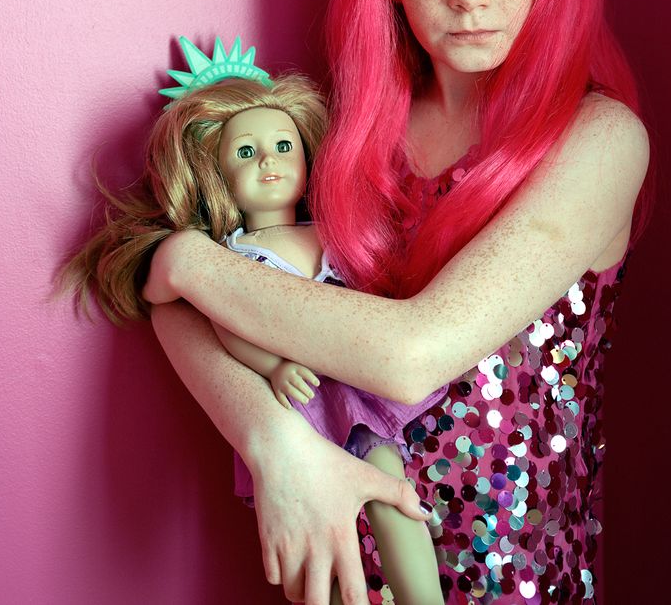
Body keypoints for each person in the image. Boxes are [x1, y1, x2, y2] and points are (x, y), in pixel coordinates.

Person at [145, 0, 651, 604]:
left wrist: (185, 261)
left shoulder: (599, 140)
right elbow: (171, 305)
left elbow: (408, 357)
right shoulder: (346, 135)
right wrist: (271, 437)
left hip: (512, 577)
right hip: (346, 566)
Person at [58, 45, 446, 603]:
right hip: (296, 399)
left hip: (352, 384)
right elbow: (228, 324)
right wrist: (276, 364)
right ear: (216, 175)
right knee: (316, 532)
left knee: (390, 488)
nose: (270, 161)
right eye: (247, 152)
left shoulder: (332, 231)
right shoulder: (236, 256)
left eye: (284, 146)